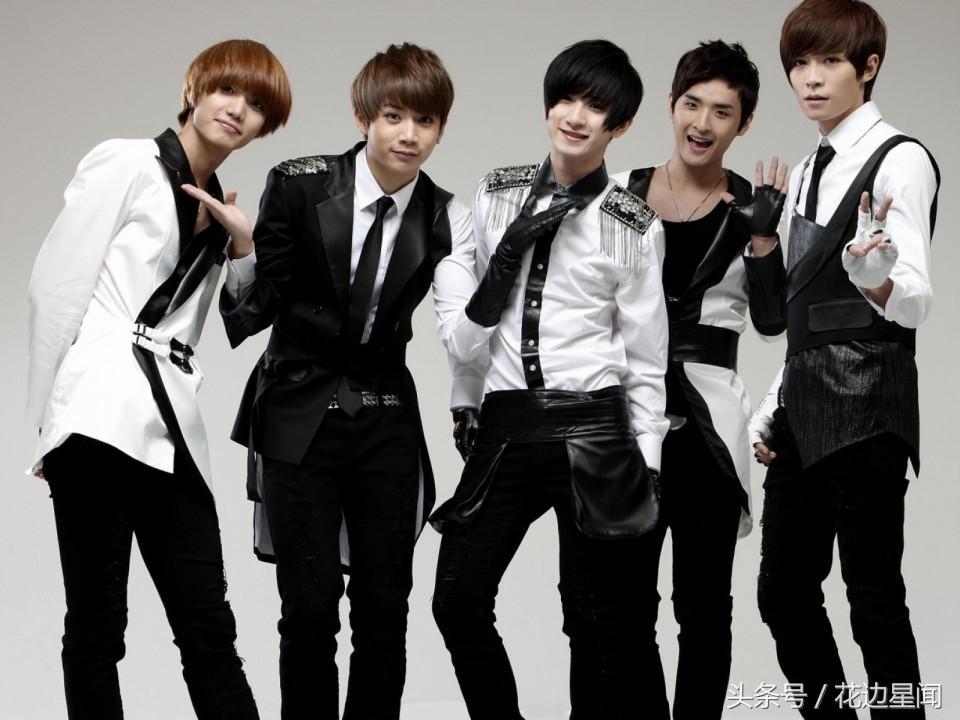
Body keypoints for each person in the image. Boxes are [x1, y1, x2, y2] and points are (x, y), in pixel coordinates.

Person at [26, 39, 292, 720]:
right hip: (96, 416)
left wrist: (242, 244)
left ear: (265, 126)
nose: (238, 109)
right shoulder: (127, 162)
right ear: (194, 88)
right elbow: (55, 289)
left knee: (209, 629)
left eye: (257, 104)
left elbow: (240, 320)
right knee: (96, 626)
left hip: (170, 426)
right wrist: (50, 423)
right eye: (227, 89)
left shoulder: (221, 206)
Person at [221, 43, 470, 720]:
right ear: (364, 117)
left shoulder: (445, 215)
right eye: (394, 116)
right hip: (297, 411)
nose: (409, 134)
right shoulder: (299, 185)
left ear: (441, 129)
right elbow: (256, 309)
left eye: (425, 120)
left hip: (384, 418)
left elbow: (463, 320)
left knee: (385, 609)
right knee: (308, 609)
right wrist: (242, 248)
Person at [430, 39, 668, 718]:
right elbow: (469, 323)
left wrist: (648, 462)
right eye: (565, 98)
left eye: (595, 107)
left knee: (591, 619)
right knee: (457, 599)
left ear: (620, 125)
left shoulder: (632, 222)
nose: (575, 116)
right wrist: (465, 399)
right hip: (506, 424)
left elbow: (645, 356)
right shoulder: (496, 192)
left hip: (595, 428)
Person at [752, 1, 940, 716]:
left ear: (868, 66)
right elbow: (791, 316)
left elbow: (914, 303)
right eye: (799, 63)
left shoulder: (901, 158)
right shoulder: (805, 169)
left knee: (873, 599)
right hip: (803, 404)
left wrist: (878, 279)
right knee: (783, 594)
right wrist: (774, 400)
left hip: (870, 401)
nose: (810, 78)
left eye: (829, 61)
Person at [612, 39, 787, 719]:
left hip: (710, 427)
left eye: (722, 111)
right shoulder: (619, 193)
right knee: (626, 604)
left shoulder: (752, 206)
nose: (703, 123)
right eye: (692, 104)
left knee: (704, 606)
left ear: (744, 123)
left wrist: (764, 242)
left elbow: (772, 323)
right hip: (627, 420)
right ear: (670, 104)